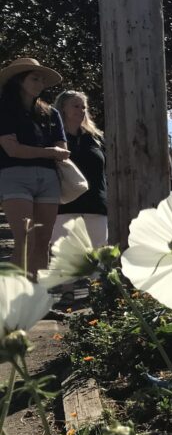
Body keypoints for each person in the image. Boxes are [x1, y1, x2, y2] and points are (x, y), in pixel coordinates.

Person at [0, 58, 70, 278]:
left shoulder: (52, 113)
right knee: (25, 238)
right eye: (34, 78)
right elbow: (13, 150)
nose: (40, 83)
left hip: (49, 179)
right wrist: (49, 152)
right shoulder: (4, 108)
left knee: (42, 241)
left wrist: (46, 151)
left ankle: (38, 301)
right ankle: (12, 302)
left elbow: (63, 149)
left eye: (42, 80)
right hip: (15, 175)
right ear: (19, 81)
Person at [52, 91, 107, 247]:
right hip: (64, 208)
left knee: (99, 261)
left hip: (96, 206)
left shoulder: (96, 138)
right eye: (75, 106)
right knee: (66, 263)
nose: (81, 110)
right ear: (62, 108)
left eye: (83, 107)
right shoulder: (51, 137)